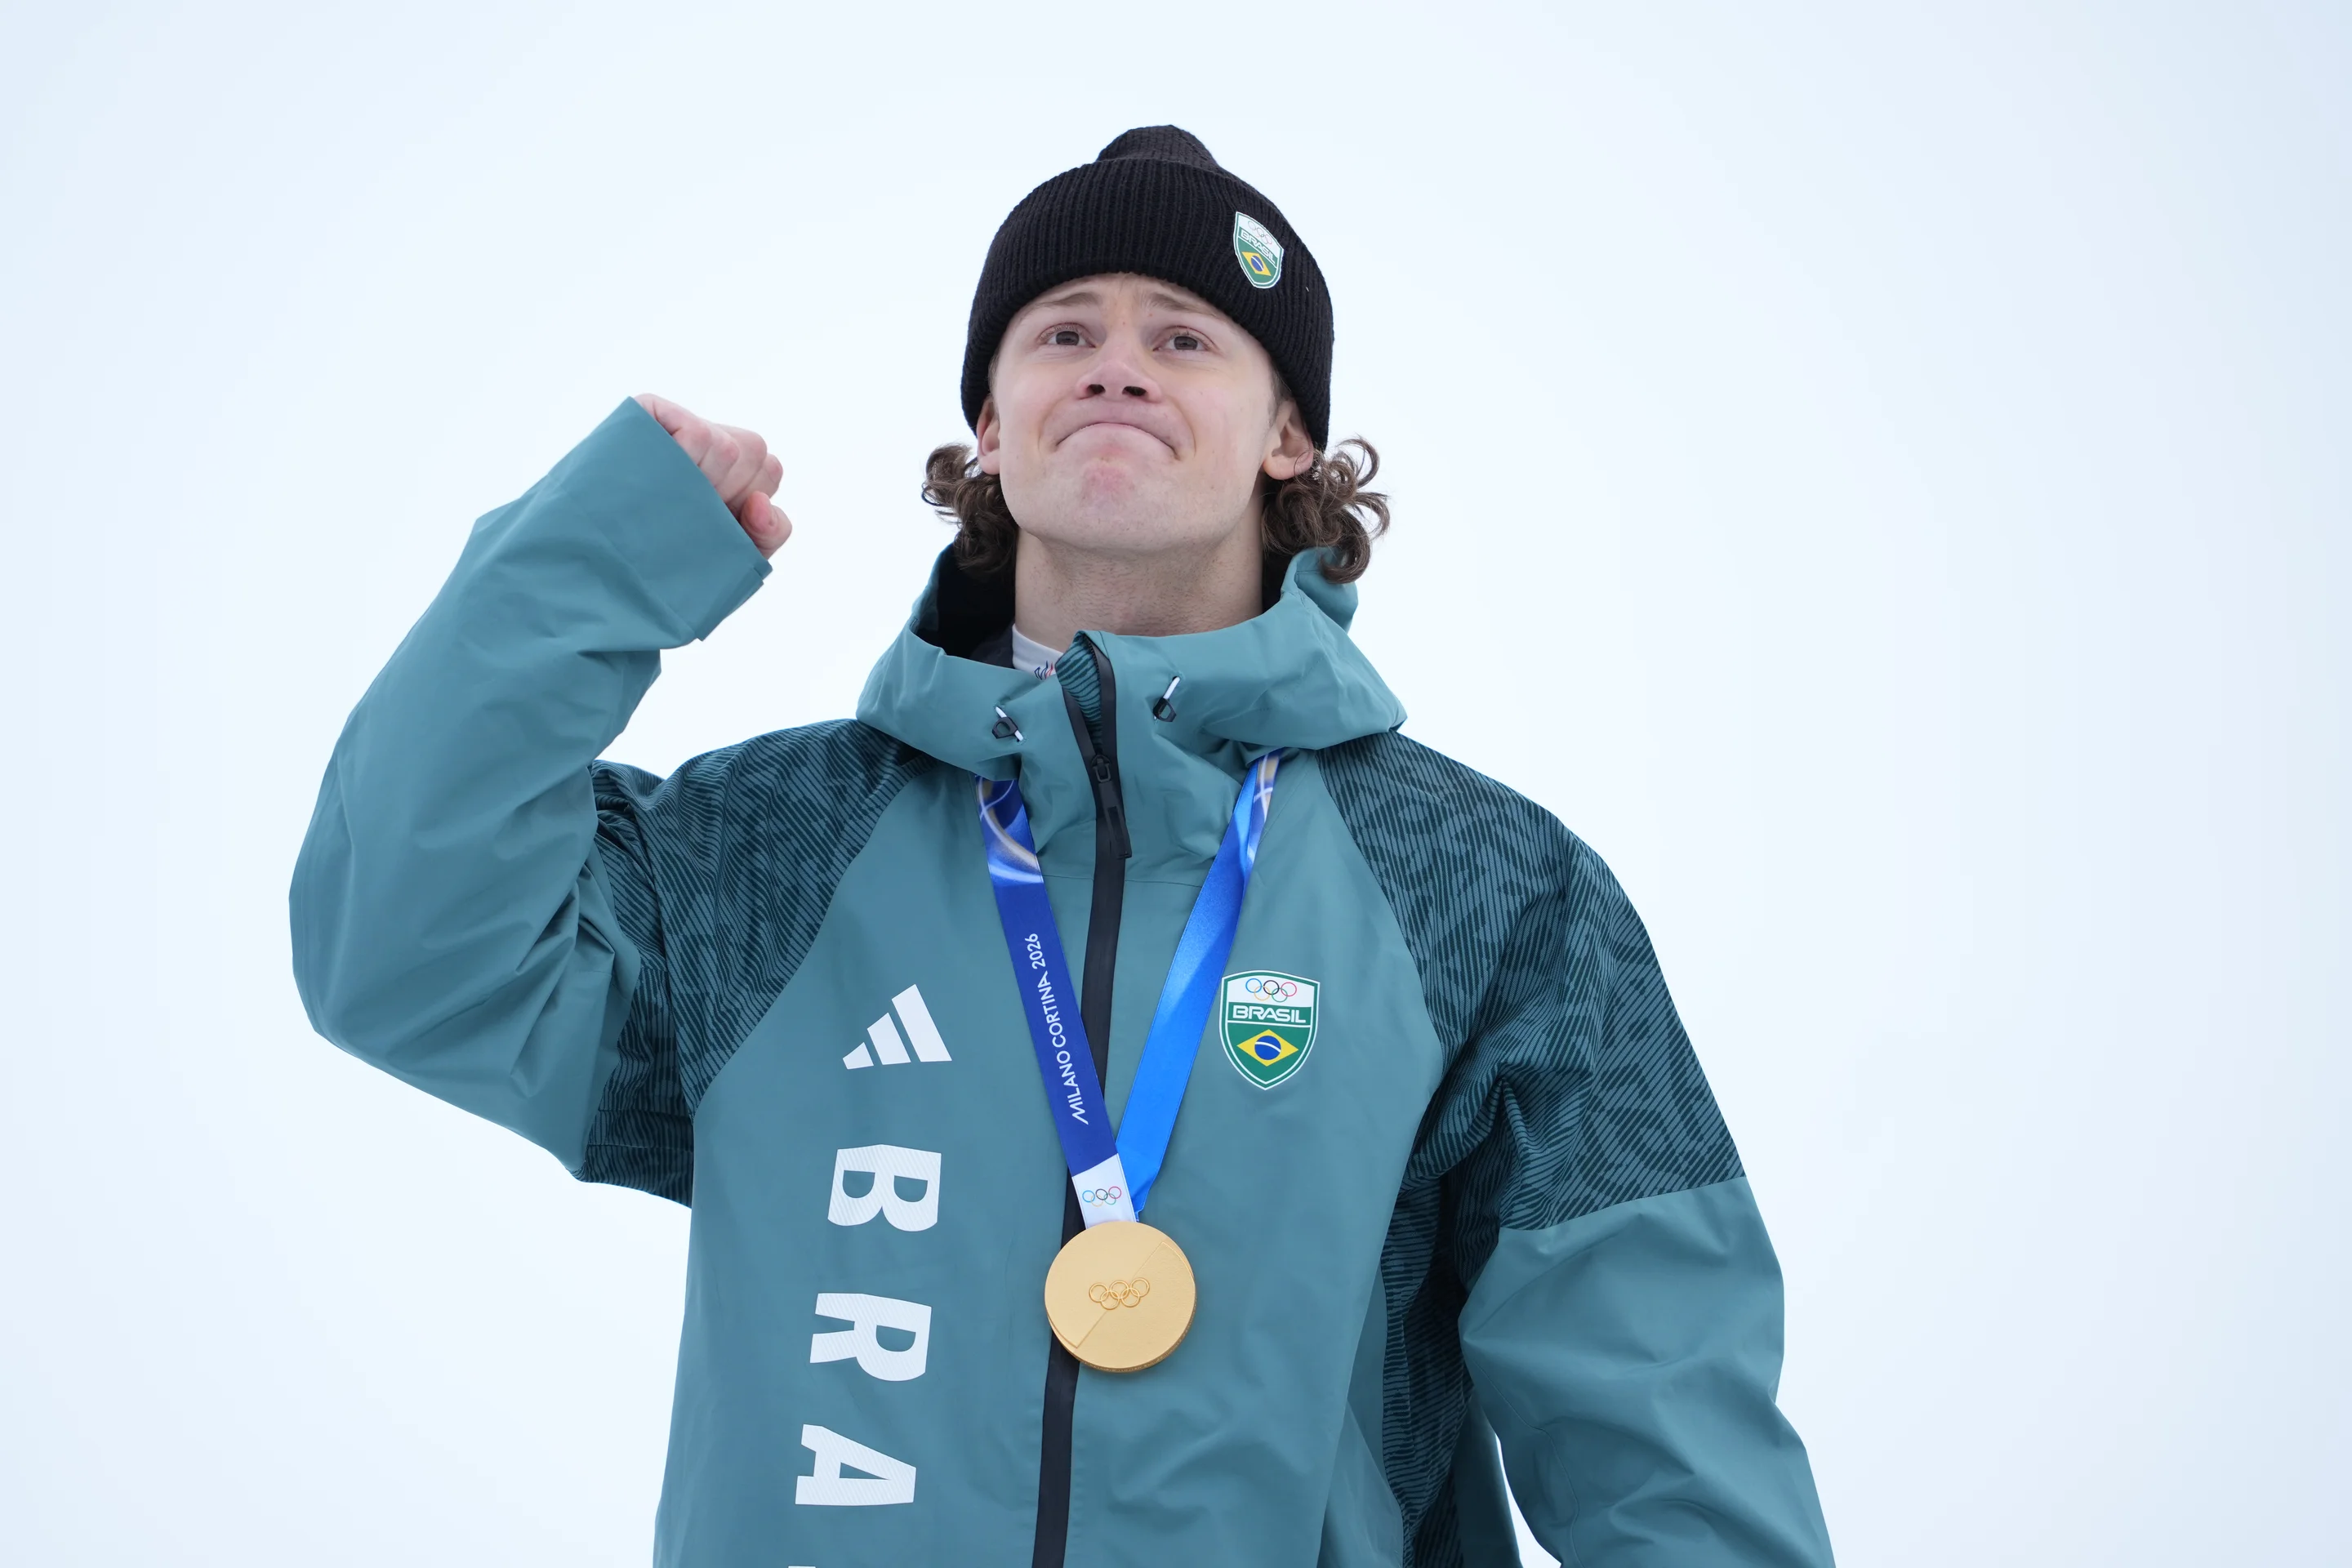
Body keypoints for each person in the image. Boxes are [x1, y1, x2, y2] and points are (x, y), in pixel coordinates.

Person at [291, 126, 1834, 1568]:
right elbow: (404, 950)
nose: (1117, 369)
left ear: (1291, 433)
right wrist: (596, 556)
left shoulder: (1488, 888)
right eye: (1064, 332)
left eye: (1183, 337)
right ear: (990, 423)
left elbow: (1664, 1440)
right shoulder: (768, 849)